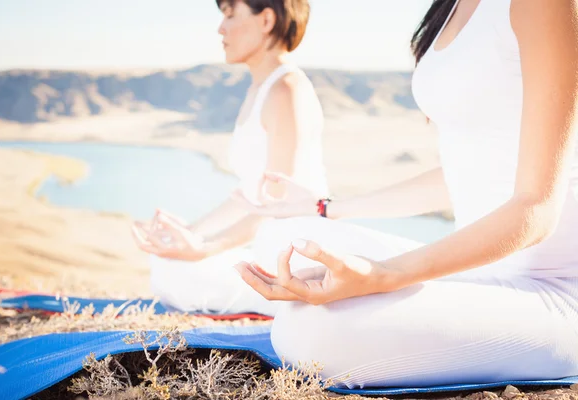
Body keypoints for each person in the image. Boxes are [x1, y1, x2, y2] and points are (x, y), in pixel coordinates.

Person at [233, 0, 578, 388]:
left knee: (313, 333)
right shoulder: (450, 8)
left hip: (554, 292)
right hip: (476, 271)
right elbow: (464, 174)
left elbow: (537, 206)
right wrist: (323, 207)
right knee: (285, 237)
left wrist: (386, 275)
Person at [131, 0, 328, 316]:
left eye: (230, 15)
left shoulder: (286, 89)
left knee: (177, 273)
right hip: (268, 242)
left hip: (294, 256)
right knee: (167, 261)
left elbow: (277, 206)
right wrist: (188, 235)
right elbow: (248, 196)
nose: (220, 28)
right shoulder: (261, 88)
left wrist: (203, 248)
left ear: (266, 20)